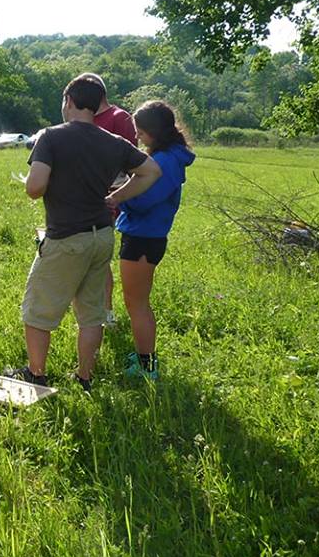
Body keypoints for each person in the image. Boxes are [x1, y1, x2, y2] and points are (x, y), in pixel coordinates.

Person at [12, 75, 162, 391]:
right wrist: (118, 196)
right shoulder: (112, 140)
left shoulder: (51, 137)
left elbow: (35, 188)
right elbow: (151, 171)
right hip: (102, 235)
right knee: (91, 313)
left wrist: (30, 179)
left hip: (66, 237)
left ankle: (36, 374)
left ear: (68, 101)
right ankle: (84, 378)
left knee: (38, 311)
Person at [117, 101, 195, 380]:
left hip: (142, 237)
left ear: (154, 131)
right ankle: (144, 358)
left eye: (140, 131)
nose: (137, 137)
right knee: (139, 302)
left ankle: (146, 366)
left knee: (136, 304)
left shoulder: (164, 162)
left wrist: (118, 193)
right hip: (147, 235)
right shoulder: (169, 156)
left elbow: (143, 201)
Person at [76, 72, 138, 327]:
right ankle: (87, 313)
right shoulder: (82, 119)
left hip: (108, 200)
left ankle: (106, 313)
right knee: (83, 257)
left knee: (100, 260)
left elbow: (132, 162)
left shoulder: (118, 118)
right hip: (80, 199)